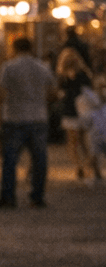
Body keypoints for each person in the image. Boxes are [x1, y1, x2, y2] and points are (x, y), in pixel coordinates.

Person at [0, 37, 58, 209]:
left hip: (14, 118)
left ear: (14, 48)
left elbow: (1, 92)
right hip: (38, 117)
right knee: (39, 159)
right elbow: (53, 92)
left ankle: (8, 197)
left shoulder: (9, 67)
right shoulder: (43, 67)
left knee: (10, 160)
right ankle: (37, 197)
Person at [57, 47, 101, 182]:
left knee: (72, 142)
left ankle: (79, 166)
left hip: (70, 111)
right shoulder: (85, 74)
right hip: (85, 111)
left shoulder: (64, 76)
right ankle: (94, 167)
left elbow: (61, 92)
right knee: (85, 141)